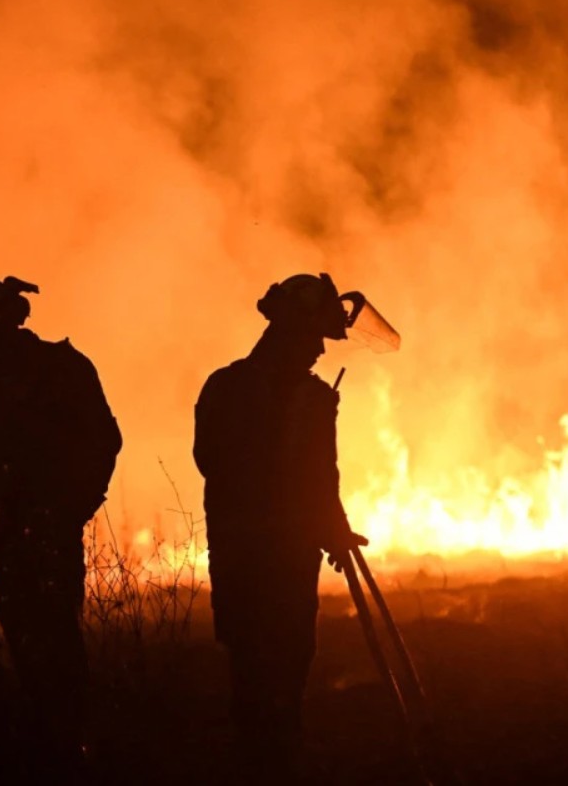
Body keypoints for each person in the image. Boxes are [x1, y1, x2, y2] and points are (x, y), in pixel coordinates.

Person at [0, 275, 121, 779]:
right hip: (30, 531)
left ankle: (61, 751)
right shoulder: (25, 368)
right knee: (44, 637)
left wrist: (68, 509)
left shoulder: (28, 371)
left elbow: (103, 441)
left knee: (46, 640)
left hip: (36, 531)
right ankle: (58, 746)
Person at [193, 273, 368, 782]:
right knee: (275, 668)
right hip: (272, 559)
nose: (319, 349)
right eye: (314, 337)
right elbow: (311, 477)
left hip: (247, 554)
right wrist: (319, 524)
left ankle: (266, 764)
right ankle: (271, 766)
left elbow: (318, 480)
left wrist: (332, 527)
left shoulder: (230, 387)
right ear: (290, 331)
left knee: (260, 669)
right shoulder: (299, 398)